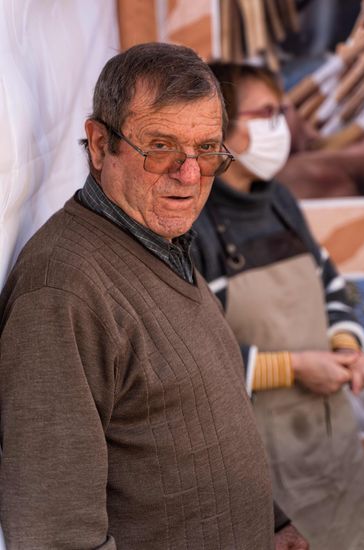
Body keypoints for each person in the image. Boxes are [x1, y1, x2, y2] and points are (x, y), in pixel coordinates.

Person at [0, 44, 308, 549]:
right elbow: (53, 529)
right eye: (160, 147)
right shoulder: (65, 289)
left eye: (207, 149)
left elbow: (192, 417)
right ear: (99, 145)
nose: (188, 177)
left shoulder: (161, 240)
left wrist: (269, 523)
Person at [192, 61, 364, 550]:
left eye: (281, 111)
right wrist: (294, 369)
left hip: (330, 439)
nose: (281, 126)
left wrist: (347, 349)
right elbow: (196, 357)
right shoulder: (195, 223)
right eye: (266, 113)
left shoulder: (279, 199)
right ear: (221, 127)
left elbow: (331, 287)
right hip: (256, 456)